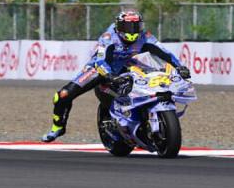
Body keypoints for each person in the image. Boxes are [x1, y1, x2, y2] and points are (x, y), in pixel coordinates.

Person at [41, 10, 191, 143]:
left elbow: (164, 52)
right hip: (101, 69)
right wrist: (110, 76)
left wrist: (180, 67)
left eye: (136, 26)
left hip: (130, 66)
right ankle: (58, 127)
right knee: (63, 95)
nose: (132, 31)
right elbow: (100, 60)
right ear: (118, 27)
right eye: (127, 27)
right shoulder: (108, 37)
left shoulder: (145, 36)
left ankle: (144, 117)